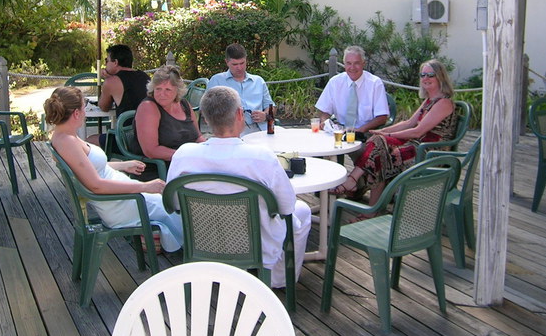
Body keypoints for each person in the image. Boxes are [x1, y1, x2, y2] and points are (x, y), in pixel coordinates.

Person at [167, 86, 311, 288]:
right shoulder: (261, 157)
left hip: (204, 241)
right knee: (302, 210)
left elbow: (173, 205)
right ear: (240, 114)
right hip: (257, 246)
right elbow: (286, 207)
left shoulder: (184, 155)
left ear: (205, 119)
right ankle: (277, 281)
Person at [45, 86, 183, 252]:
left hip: (122, 197)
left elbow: (90, 168)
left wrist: (124, 165)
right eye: (84, 106)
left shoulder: (65, 136)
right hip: (119, 204)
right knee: (176, 206)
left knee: (173, 200)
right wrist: (145, 186)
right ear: (76, 113)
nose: (85, 111)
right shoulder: (68, 142)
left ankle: (182, 244)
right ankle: (193, 249)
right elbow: (96, 185)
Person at [333, 59, 458, 214]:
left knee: (381, 154)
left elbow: (417, 131)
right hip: (416, 145)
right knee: (378, 145)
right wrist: (382, 131)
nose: (425, 78)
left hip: (429, 152)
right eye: (422, 75)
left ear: (440, 76)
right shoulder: (429, 101)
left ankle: (356, 186)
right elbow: (409, 123)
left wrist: (388, 134)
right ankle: (369, 205)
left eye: (430, 75)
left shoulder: (444, 103)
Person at [133, 65, 205, 174]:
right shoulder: (148, 107)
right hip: (161, 169)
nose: (162, 94)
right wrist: (186, 157)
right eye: (158, 89)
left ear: (177, 90)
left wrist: (207, 150)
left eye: (168, 89)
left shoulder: (184, 104)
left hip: (188, 164)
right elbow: (151, 150)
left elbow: (198, 136)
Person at [315, 45, 389, 136]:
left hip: (366, 132)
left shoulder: (375, 83)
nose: (352, 67)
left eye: (356, 63)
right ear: (344, 64)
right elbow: (324, 111)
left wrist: (359, 130)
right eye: (348, 63)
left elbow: (382, 117)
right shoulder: (335, 82)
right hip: (340, 131)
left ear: (363, 64)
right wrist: (325, 122)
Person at [86, 44, 149, 148]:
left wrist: (107, 80)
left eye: (106, 61)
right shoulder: (144, 76)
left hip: (129, 139)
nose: (105, 65)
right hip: (149, 134)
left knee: (89, 141)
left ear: (115, 62)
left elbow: (103, 107)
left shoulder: (111, 82)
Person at [207, 43, 275, 135]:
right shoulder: (217, 81)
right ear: (227, 62)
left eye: (242, 63)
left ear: (246, 60)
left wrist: (265, 115)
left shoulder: (258, 81)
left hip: (260, 128)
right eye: (235, 64)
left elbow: (271, 106)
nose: (239, 68)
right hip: (230, 131)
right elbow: (207, 110)